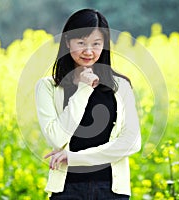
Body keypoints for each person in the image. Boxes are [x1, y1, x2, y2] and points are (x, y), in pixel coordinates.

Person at [35, 8, 141, 199]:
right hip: (67, 191)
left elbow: (132, 142)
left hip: (111, 191)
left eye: (96, 44)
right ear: (67, 42)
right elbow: (56, 138)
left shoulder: (121, 87)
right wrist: (84, 89)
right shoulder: (47, 87)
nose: (89, 51)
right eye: (81, 42)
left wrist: (75, 158)